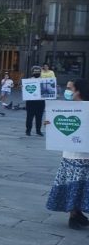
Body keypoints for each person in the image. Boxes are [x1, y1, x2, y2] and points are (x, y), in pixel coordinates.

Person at [46, 78, 89, 229]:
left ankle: (78, 213)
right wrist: (50, 123)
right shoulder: (66, 108)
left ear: (79, 91)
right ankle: (73, 216)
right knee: (74, 184)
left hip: (85, 153)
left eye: (70, 89)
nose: (68, 91)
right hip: (72, 154)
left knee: (82, 185)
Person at [25, 66, 45, 136]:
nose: (37, 73)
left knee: (39, 117)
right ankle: (28, 130)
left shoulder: (43, 81)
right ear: (32, 72)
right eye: (35, 71)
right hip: (31, 102)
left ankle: (38, 130)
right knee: (29, 117)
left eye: (38, 71)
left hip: (40, 102)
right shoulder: (28, 81)